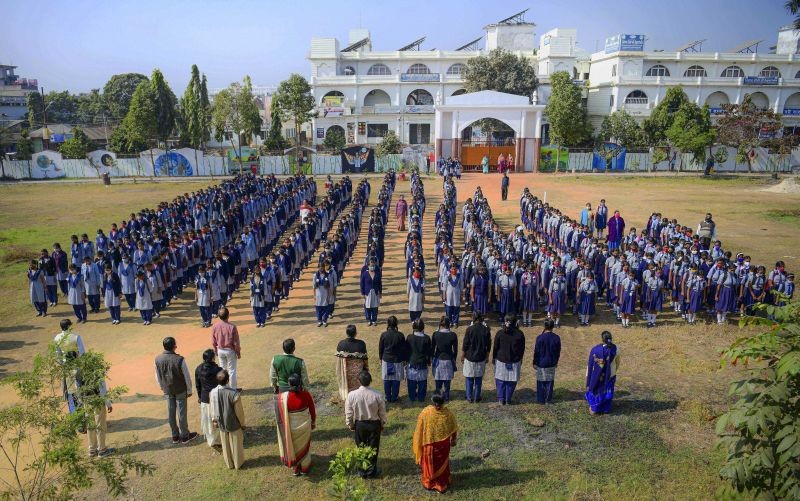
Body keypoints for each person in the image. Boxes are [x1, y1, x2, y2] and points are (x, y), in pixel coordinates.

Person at [154, 336, 199, 444]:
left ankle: (175, 436)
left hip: (168, 390)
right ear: (174, 346)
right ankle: (184, 435)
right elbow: (186, 376)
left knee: (171, 412)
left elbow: (157, 375)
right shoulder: (180, 359)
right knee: (181, 413)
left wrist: (162, 386)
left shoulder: (157, 359)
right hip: (180, 389)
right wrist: (189, 390)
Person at [412, 393, 458, 493]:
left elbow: (419, 430)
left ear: (433, 402)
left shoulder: (425, 412)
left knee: (429, 465)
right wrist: (453, 440)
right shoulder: (448, 414)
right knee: (443, 465)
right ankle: (442, 484)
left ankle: (429, 483)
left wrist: (419, 442)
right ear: (443, 402)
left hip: (429, 446)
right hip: (444, 446)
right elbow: (454, 429)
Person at [345, 370, 388, 478]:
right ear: (371, 381)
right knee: (373, 448)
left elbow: (349, 413)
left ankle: (362, 471)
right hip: (374, 425)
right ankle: (371, 472)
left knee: (360, 447)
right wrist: (382, 424)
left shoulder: (352, 395)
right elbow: (382, 412)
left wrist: (350, 425)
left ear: (359, 381)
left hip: (360, 425)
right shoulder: (377, 395)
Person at [275, 373, 316, 476]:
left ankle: (296, 468)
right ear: (300, 383)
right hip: (305, 425)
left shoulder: (283, 398)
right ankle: (305, 468)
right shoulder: (306, 394)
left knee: (293, 446)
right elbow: (312, 410)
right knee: (305, 446)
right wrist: (313, 422)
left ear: (289, 383)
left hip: (291, 428)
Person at [210, 370, 246, 470]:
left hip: (221, 423)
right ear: (227, 380)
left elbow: (212, 408)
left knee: (225, 446)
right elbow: (239, 412)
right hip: (233, 423)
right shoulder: (234, 394)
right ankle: (238, 463)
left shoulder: (213, 392)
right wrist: (242, 424)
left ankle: (229, 464)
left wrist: (214, 420)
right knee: (236, 444)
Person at [492, 316, 525, 405]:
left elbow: (495, 347)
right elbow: (522, 349)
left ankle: (501, 399)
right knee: (511, 381)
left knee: (500, 380)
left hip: (501, 360)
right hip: (514, 361)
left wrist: (493, 358)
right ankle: (508, 399)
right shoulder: (519, 334)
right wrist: (521, 358)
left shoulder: (500, 333)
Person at [585, 331, 620, 415]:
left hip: (597, 375)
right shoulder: (616, 349)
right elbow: (617, 362)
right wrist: (614, 371)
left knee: (596, 390)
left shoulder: (595, 350)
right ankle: (606, 408)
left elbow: (590, 364)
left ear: (602, 339)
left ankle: (594, 408)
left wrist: (588, 374)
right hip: (610, 374)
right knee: (607, 391)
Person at [195, 349, 222, 450]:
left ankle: (212, 441)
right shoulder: (218, 369)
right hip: (216, 398)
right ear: (212, 358)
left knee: (207, 420)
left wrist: (200, 397)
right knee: (217, 419)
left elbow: (198, 385)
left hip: (205, 398)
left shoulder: (198, 368)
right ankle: (219, 439)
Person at [461, 312, 491, 403]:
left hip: (470, 357)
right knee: (478, 379)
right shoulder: (486, 330)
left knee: (469, 378)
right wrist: (487, 357)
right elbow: (488, 346)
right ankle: (477, 397)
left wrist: (462, 356)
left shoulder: (469, 329)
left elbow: (465, 345)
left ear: (473, 318)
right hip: (481, 357)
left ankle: (469, 397)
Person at [378, 316, 408, 403]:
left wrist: (380, 358)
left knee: (387, 379)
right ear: (396, 324)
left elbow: (381, 348)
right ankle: (394, 397)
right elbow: (404, 349)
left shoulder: (384, 334)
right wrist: (404, 359)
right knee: (396, 379)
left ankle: (388, 397)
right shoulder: (400, 335)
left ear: (388, 324)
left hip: (386, 359)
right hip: (397, 360)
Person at [335, 324, 369, 400]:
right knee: (358, 391)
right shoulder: (361, 344)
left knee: (349, 391)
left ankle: (349, 401)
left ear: (346, 333)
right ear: (355, 333)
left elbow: (338, 362)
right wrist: (366, 370)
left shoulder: (341, 344)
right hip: (358, 373)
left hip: (346, 373)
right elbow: (365, 360)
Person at [533, 319, 561, 404]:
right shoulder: (556, 338)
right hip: (551, 362)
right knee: (550, 381)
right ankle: (548, 399)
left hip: (541, 363)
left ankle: (541, 399)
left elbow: (536, 351)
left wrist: (534, 362)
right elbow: (558, 351)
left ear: (544, 326)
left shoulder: (540, 337)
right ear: (553, 327)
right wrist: (556, 361)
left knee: (540, 381)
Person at [212, 307, 241, 389]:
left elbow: (213, 341)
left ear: (219, 316)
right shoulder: (232, 327)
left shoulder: (215, 326)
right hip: (230, 351)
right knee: (232, 371)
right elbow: (236, 342)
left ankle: (224, 388)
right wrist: (238, 352)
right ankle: (233, 389)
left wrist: (215, 351)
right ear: (228, 315)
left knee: (222, 370)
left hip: (220, 350)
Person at [406, 318, 432, 403]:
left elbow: (407, 350)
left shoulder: (409, 337)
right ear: (423, 327)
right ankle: (421, 397)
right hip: (422, 362)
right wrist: (429, 362)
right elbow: (429, 352)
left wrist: (406, 360)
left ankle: (412, 396)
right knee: (422, 381)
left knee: (411, 381)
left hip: (412, 362)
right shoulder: (427, 338)